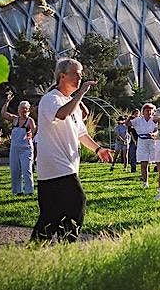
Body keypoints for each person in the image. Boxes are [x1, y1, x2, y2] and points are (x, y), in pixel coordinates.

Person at [30, 58, 112, 243]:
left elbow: (81, 134)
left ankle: (34, 250)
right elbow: (61, 114)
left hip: (63, 167)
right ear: (62, 76)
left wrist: (98, 149)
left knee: (50, 215)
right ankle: (67, 244)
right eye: (76, 74)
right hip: (57, 166)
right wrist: (81, 93)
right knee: (78, 202)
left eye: (81, 74)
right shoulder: (51, 99)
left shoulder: (71, 103)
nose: (80, 78)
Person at [1, 92, 36, 195]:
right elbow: (3, 113)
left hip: (26, 149)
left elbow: (34, 131)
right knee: (15, 171)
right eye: (21, 108)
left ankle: (29, 191)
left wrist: (31, 134)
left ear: (28, 110)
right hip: (14, 149)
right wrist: (7, 101)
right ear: (18, 110)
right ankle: (17, 191)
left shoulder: (30, 121)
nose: (23, 110)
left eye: (25, 108)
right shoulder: (15, 119)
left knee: (27, 170)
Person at [129, 103, 157, 188]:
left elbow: (158, 130)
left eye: (150, 110)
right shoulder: (138, 120)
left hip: (152, 141)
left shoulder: (155, 119)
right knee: (143, 163)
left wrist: (154, 134)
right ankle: (145, 182)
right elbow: (128, 124)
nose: (148, 112)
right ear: (143, 111)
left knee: (159, 162)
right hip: (142, 141)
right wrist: (128, 119)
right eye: (147, 110)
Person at [127, 109, 140, 173]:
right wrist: (134, 141)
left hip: (141, 140)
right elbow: (130, 132)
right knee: (132, 155)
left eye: (138, 113)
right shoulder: (131, 122)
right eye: (135, 113)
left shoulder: (140, 121)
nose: (136, 114)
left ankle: (146, 169)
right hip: (133, 141)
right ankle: (133, 169)